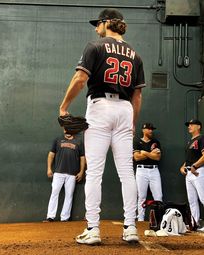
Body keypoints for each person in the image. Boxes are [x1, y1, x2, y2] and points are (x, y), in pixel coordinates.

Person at [59, 8, 146, 244]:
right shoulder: (135, 55)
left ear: (107, 23)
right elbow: (137, 96)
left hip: (100, 107)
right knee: (127, 173)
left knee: (95, 173)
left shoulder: (94, 47)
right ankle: (130, 228)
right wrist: (133, 122)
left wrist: (64, 106)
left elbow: (80, 79)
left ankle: (93, 229)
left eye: (98, 23)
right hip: (124, 110)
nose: (96, 27)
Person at [44, 130, 86, 222]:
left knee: (69, 195)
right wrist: (49, 168)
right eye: (65, 128)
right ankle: (50, 216)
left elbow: (82, 157)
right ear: (63, 130)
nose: (67, 130)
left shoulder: (79, 141)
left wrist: (81, 171)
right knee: (54, 193)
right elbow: (51, 154)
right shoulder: (58, 140)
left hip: (72, 174)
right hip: (58, 172)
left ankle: (65, 218)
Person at [133, 123, 163, 221]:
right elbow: (137, 158)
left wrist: (145, 153)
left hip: (154, 170)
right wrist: (151, 154)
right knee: (141, 196)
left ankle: (159, 219)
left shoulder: (155, 142)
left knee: (158, 196)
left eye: (152, 129)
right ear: (143, 130)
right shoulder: (137, 141)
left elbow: (157, 157)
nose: (151, 131)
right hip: (141, 170)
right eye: (149, 129)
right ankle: (140, 220)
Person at [180, 119, 204, 231]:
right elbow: (190, 158)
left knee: (203, 198)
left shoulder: (201, 138)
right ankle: (194, 223)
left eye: (192, 124)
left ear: (198, 127)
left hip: (199, 171)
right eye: (188, 125)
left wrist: (195, 166)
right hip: (189, 173)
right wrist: (183, 166)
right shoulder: (190, 141)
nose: (189, 126)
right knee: (192, 200)